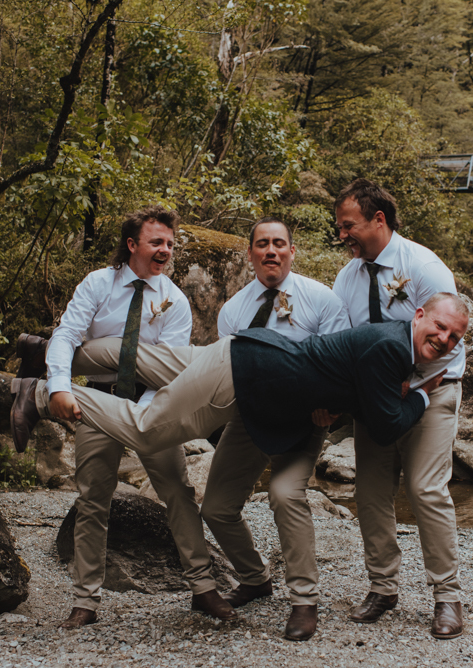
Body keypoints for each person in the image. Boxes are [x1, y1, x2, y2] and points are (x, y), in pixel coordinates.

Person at [10, 294, 469, 511]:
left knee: (148, 362)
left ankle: (44, 354)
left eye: (454, 337)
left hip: (251, 367)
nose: (445, 339)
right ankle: (41, 390)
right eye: (440, 327)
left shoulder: (391, 346)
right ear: (419, 315)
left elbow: (362, 399)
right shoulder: (393, 348)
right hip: (247, 372)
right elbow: (387, 426)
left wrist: (345, 404)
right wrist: (424, 397)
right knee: (146, 429)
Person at [12, 205, 235, 629]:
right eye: (157, 242)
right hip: (95, 403)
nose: (166, 250)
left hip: (153, 405)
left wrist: (146, 418)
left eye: (170, 243)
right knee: (93, 499)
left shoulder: (175, 300)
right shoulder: (100, 283)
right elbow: (67, 336)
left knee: (178, 492)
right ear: (132, 244)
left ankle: (204, 588)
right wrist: (59, 386)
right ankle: (85, 601)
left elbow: (164, 369)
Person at [199, 217, 350, 640]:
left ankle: (304, 600)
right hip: (251, 417)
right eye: (262, 244)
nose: (271, 251)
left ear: (292, 251)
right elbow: (226, 371)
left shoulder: (322, 300)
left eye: (279, 243)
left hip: (305, 420)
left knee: (284, 494)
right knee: (216, 507)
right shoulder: (233, 310)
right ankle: (254, 578)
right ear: (250, 254)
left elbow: (339, 365)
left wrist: (331, 408)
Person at [330, 178, 467, 639]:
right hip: (375, 400)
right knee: (370, 493)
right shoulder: (347, 277)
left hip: (433, 391)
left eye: (348, 225)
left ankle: (447, 597)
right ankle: (383, 587)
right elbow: (345, 341)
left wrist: (411, 385)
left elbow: (449, 340)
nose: (342, 234)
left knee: (427, 490)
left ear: (378, 220)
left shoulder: (424, 267)